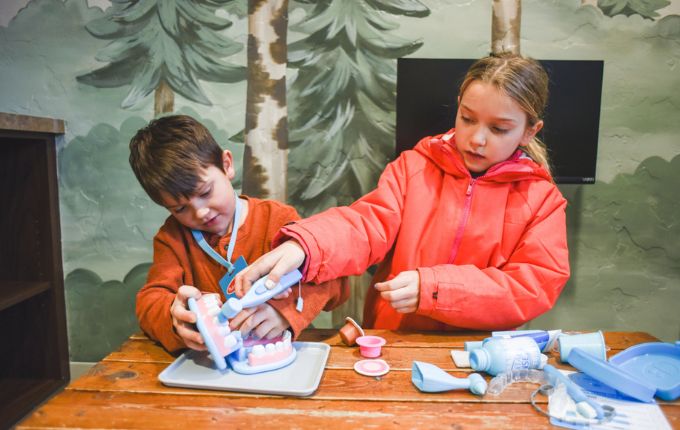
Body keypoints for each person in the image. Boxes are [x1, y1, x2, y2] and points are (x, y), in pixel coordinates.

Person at [235, 54, 570, 332]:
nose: (477, 138)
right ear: (458, 107)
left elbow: (532, 286)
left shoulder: (542, 201)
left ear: (530, 131)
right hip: (392, 342)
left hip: (478, 355)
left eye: (499, 129)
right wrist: (306, 246)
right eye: (467, 119)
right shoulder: (413, 168)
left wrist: (435, 289)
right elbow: (366, 224)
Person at [129, 115, 349, 353]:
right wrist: (174, 315)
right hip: (212, 367)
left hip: (278, 357)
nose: (200, 212)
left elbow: (333, 281)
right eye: (180, 208)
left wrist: (284, 311)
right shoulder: (172, 238)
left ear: (226, 165)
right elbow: (150, 299)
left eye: (205, 192)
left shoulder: (278, 219)